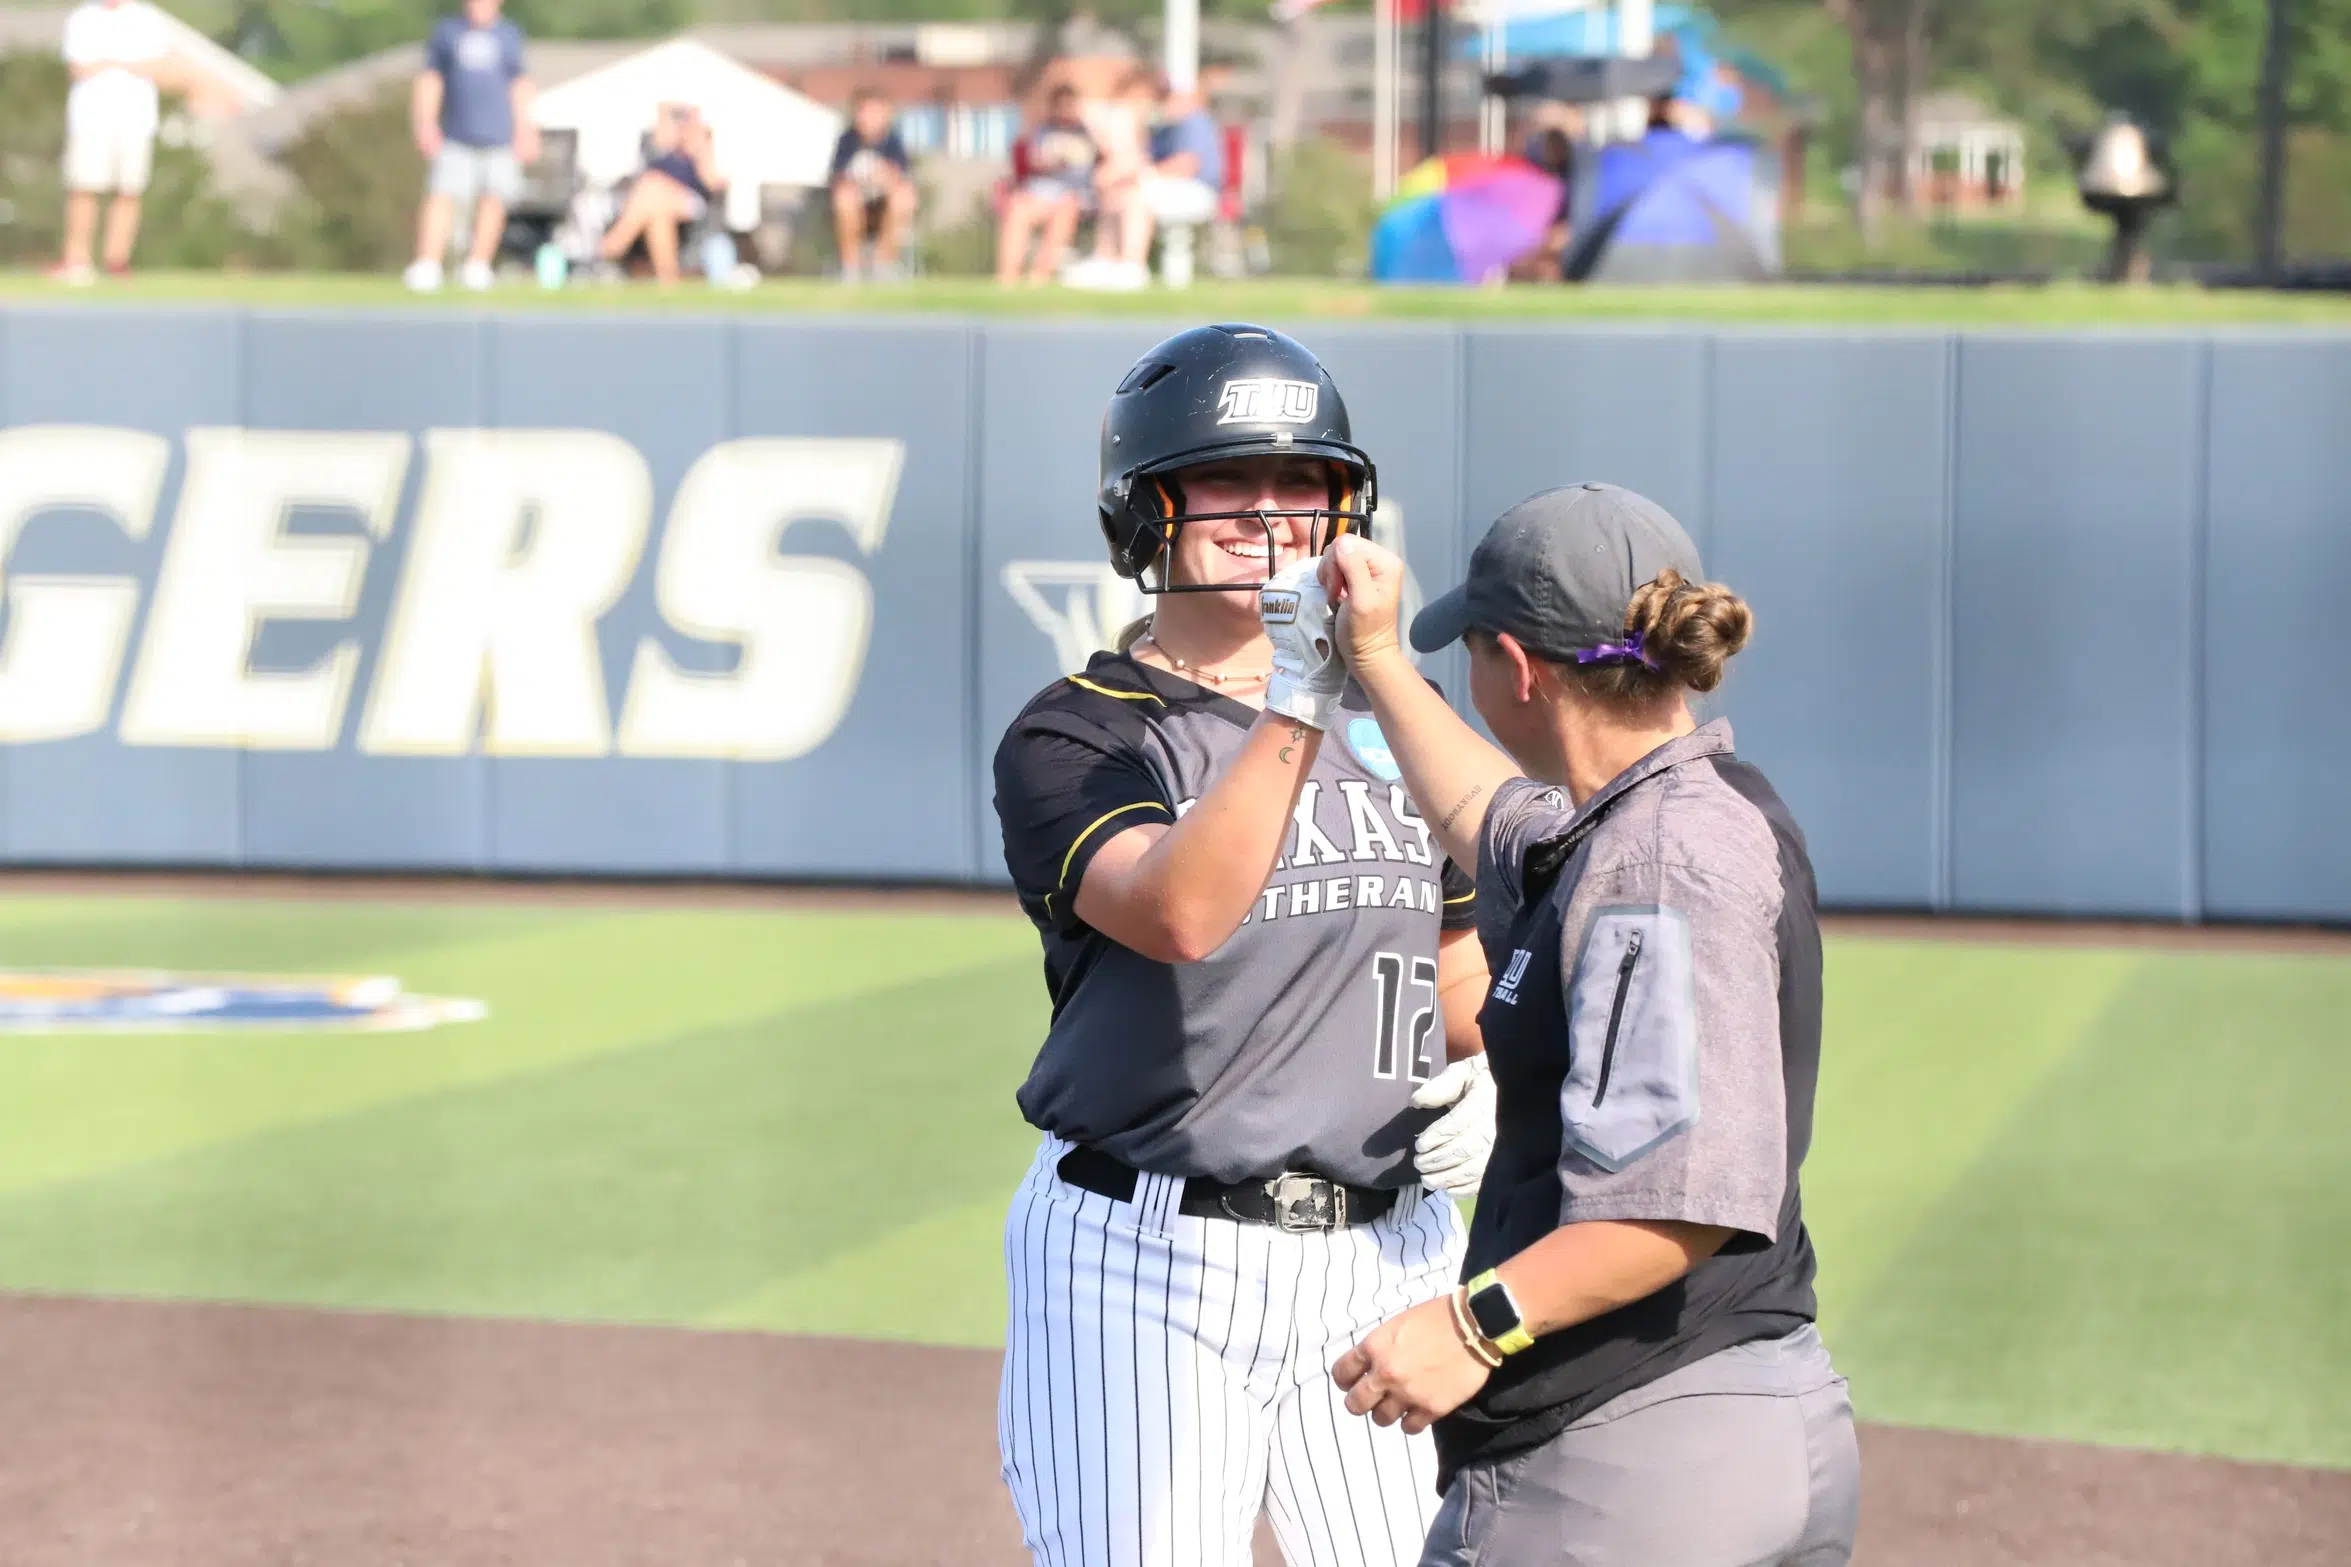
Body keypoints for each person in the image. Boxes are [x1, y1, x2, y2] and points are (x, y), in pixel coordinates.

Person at [992, 323, 1500, 1566]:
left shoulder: (1404, 714)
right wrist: (1301, 689)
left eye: (1304, 484)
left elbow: (1458, 970)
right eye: (1226, 481)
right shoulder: (1080, 734)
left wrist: (1497, 1067)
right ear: (1146, 511)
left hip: (1387, 1248)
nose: (1271, 514)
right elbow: (1179, 912)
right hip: (1144, 1249)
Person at [1313, 484, 1859, 1565]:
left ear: (1515, 668)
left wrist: (1471, 1326)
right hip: (1746, 1415)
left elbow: (1677, 1201)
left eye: (1469, 653)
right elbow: (1487, 814)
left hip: (1631, 1458)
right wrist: (1375, 659)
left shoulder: (1659, 860)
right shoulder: (1664, 814)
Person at [405, 0, 536, 293]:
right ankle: (428, 265)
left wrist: (525, 129)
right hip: (456, 135)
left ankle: (478, 265)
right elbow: (431, 79)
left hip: (499, 136)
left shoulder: (509, 35)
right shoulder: (447, 32)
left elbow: (519, 84)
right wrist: (425, 122)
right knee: (441, 197)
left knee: (494, 200)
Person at [53, 0, 173, 284]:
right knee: (83, 186)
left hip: (136, 119)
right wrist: (120, 62)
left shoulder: (149, 19)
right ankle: (77, 260)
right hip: (90, 118)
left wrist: (112, 61)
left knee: (129, 189)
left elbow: (159, 65)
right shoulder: (83, 18)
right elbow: (79, 67)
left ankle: (117, 261)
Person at [1071, 75, 1225, 291]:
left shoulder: (1193, 121)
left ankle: (1133, 266)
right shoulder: (1163, 128)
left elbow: (1185, 166)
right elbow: (1140, 158)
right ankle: (1105, 260)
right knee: (1116, 194)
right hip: (1166, 187)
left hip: (1198, 191)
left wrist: (1141, 175)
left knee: (1136, 196)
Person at [598, 102, 723, 286]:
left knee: (652, 187)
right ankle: (668, 279)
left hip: (688, 202)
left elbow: (712, 183)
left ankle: (610, 247)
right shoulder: (664, 148)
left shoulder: (700, 148)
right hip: (656, 203)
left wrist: (697, 141)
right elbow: (662, 120)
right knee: (658, 216)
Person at [995, 83, 1098, 286]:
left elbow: (1102, 158)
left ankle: (1040, 276)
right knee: (1018, 209)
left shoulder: (1087, 133)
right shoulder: (1044, 130)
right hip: (1041, 191)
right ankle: (1008, 276)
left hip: (1073, 195)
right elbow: (1033, 160)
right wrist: (1051, 162)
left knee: (1065, 210)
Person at [827, 87, 916, 282]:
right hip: (855, 206)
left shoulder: (893, 141)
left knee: (903, 198)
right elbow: (838, 177)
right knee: (844, 199)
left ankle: (883, 265)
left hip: (883, 206)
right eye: (863, 112)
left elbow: (900, 176)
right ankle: (850, 269)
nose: (867, 118)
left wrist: (884, 177)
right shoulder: (847, 141)